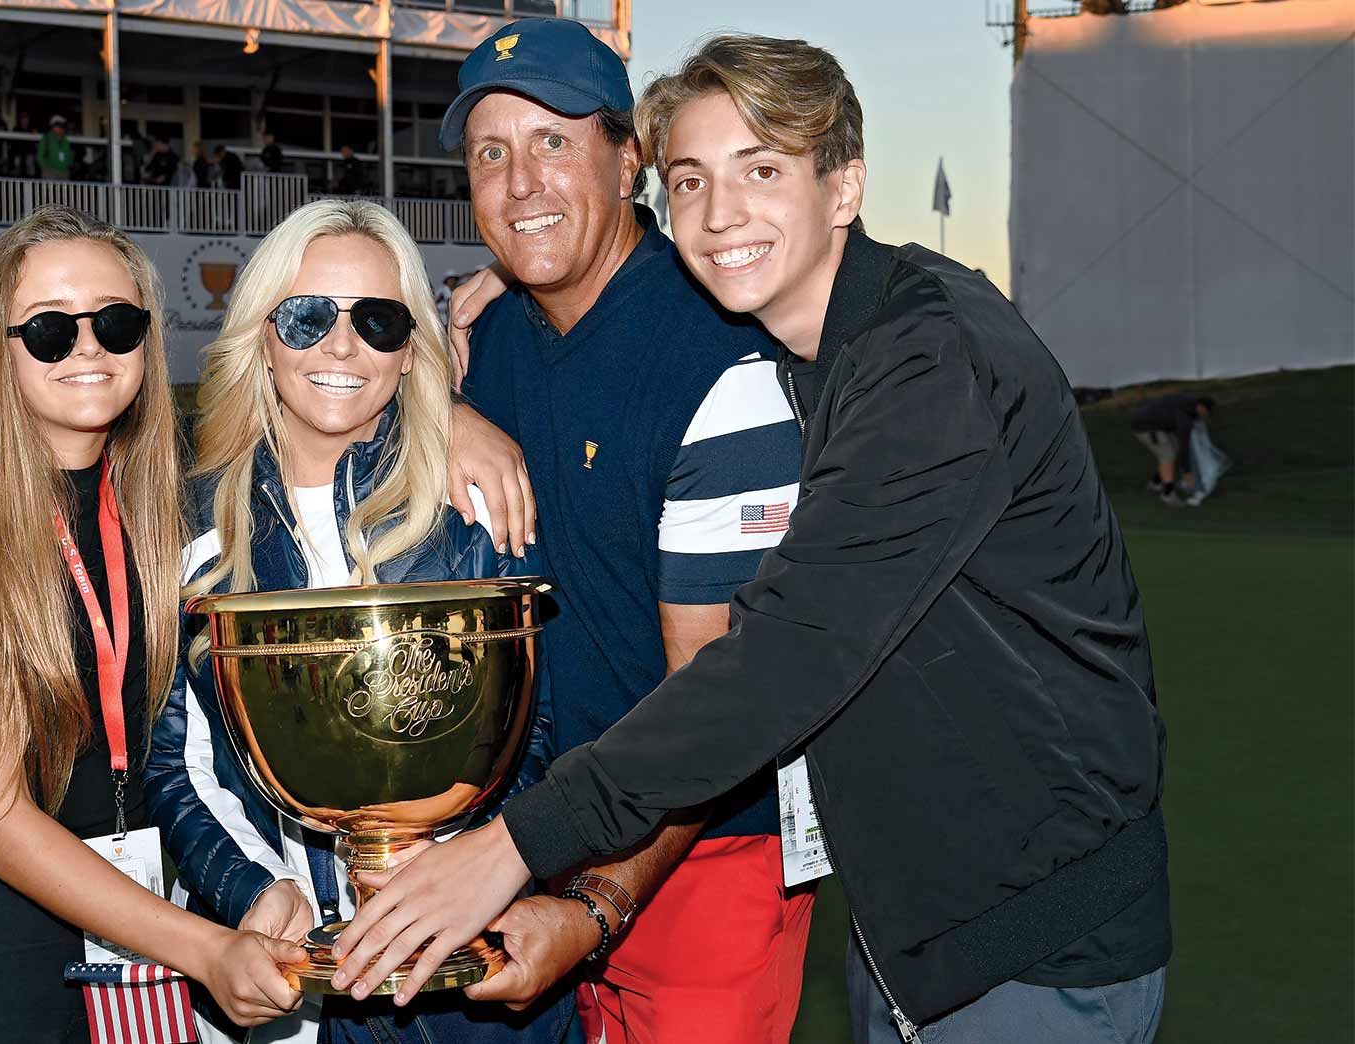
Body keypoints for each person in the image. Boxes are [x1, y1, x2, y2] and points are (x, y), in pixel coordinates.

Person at [337, 33, 1173, 1044]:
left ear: (843, 187)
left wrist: (513, 845)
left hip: (1032, 943)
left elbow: (777, 660)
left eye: (760, 170)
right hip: (918, 925)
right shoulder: (817, 352)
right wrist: (442, 348)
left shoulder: (929, 357)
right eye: (692, 180)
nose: (719, 212)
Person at [329, 19, 813, 1044]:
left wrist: (598, 904)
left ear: (626, 157)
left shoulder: (718, 363)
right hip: (523, 843)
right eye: (489, 154)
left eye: (553, 142)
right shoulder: (486, 336)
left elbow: (716, 712)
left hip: (695, 855)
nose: (519, 184)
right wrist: (436, 399)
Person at [0, 205, 303, 1043]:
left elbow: (322, 435)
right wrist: (207, 950)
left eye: (116, 323)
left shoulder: (164, 493)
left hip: (128, 918)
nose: (88, 347)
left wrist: (463, 426)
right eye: (49, 329)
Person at [143, 198, 574, 1044]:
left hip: (460, 978)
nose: (342, 347)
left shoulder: (477, 506)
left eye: (376, 320)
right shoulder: (193, 527)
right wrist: (259, 894)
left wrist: (468, 860)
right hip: (278, 987)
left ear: (411, 348)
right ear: (261, 338)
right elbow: (177, 757)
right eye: (306, 319)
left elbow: (539, 728)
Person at [1130, 392, 1215, 505]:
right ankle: (1168, 493)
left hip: (1150, 421)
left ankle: (1156, 482)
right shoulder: (1185, 418)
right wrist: (1187, 472)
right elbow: (1184, 447)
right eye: (1205, 413)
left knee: (1172, 450)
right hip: (1145, 427)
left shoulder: (1189, 400)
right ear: (1201, 408)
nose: (1204, 416)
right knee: (1167, 455)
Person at [38, 115, 73, 181]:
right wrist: (46, 168)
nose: (61, 128)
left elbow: (69, 155)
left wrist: (68, 165)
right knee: (49, 191)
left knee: (64, 191)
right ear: (53, 127)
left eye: (62, 126)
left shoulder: (65, 140)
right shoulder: (46, 139)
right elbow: (40, 157)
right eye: (59, 126)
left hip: (64, 172)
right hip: (50, 172)